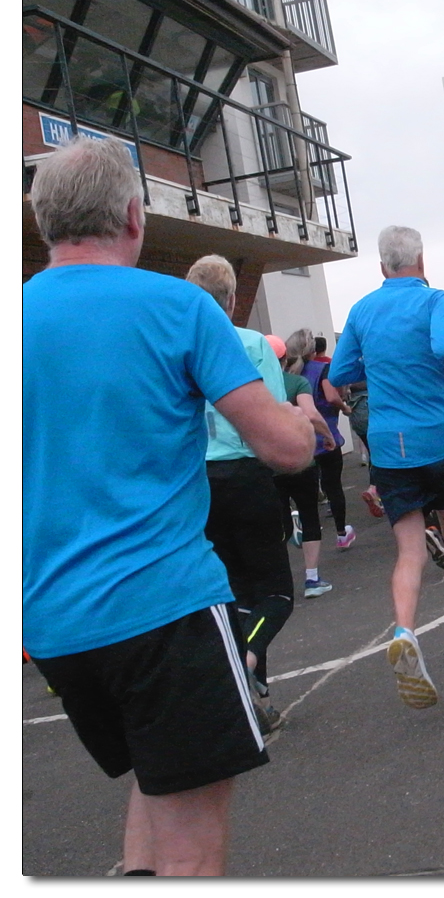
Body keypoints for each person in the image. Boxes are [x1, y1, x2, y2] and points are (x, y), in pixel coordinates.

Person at [23, 137, 313, 876]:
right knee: (194, 852)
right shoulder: (178, 306)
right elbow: (283, 449)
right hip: (164, 608)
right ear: (132, 216)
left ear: (43, 219)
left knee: (160, 790)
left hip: (55, 623)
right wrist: (307, 421)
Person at [327, 226, 444, 709]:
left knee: (409, 549)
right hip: (438, 437)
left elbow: (338, 375)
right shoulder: (433, 298)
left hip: (388, 443)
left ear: (382, 267)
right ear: (420, 260)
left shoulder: (360, 310)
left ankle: (404, 630)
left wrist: (381, 365)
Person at [186, 256, 300, 733]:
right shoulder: (251, 343)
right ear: (232, 300)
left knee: (235, 594)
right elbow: (274, 414)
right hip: (247, 474)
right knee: (275, 593)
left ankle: (261, 698)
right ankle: (246, 664)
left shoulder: (181, 346)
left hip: (200, 480)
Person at [265, 334, 340, 599]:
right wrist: (328, 435)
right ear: (285, 358)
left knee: (276, 520)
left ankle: (278, 583)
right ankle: (311, 578)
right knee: (310, 512)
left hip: (267, 461)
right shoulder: (297, 382)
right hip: (299, 459)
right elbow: (310, 414)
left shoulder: (255, 386)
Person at [285, 329, 357, 550]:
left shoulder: (286, 374)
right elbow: (332, 396)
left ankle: (304, 531)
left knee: (305, 493)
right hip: (326, 436)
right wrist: (345, 408)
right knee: (333, 485)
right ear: (313, 350)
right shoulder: (322, 369)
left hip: (299, 439)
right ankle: (341, 532)